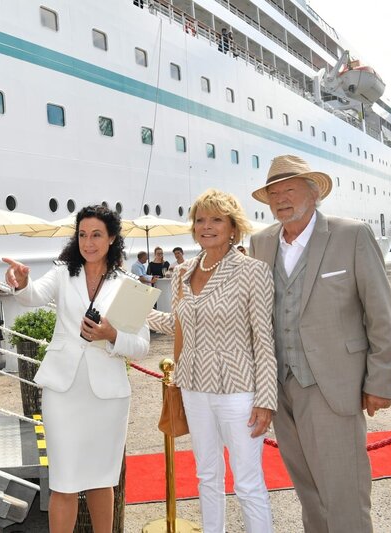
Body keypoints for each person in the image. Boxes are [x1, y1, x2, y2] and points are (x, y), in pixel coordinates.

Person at [250, 154, 391, 533]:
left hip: (333, 385)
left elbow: (379, 313)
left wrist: (380, 381)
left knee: (344, 492)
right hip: (281, 388)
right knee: (308, 491)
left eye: (290, 190)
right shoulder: (261, 243)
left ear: (313, 193)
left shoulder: (351, 234)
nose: (281, 199)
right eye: (274, 193)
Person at [3, 205, 150, 533]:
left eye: (96, 234)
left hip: (108, 396)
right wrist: (22, 284)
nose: (88, 242)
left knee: (102, 479)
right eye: (82, 234)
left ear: (111, 238)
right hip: (63, 391)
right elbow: (33, 296)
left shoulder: (129, 285)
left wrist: (111, 335)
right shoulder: (62, 272)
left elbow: (141, 345)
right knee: (63, 481)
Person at [148, 189, 276, 533]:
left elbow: (264, 339)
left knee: (248, 482)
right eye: (200, 220)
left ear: (234, 227)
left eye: (216, 219)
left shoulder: (253, 271)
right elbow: (180, 324)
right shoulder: (182, 272)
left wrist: (266, 400)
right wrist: (133, 315)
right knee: (207, 475)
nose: (206, 226)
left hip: (239, 392)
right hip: (193, 388)